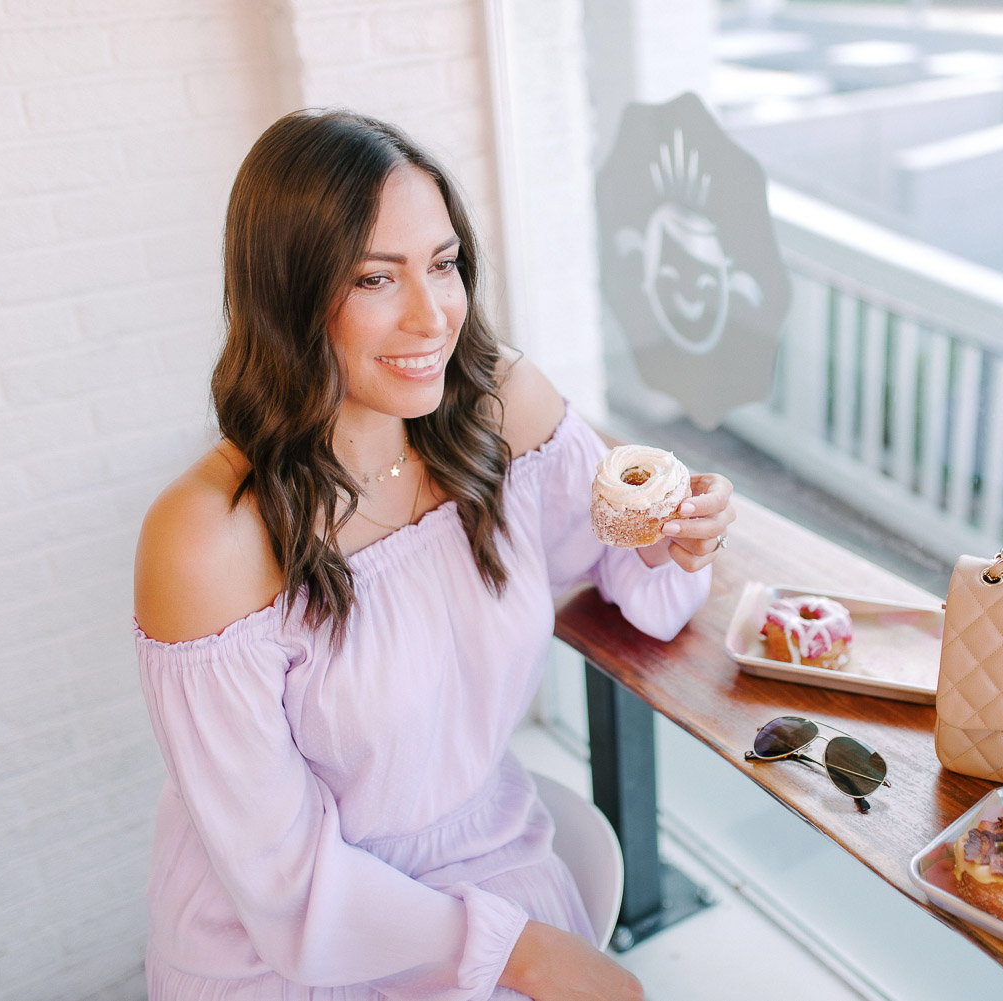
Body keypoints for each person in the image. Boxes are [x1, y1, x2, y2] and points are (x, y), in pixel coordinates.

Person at [133, 109, 735, 1001]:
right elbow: (285, 885)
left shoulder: (497, 408)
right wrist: (524, 953)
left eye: (444, 264)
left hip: (489, 861)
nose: (433, 316)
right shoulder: (206, 540)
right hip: (292, 940)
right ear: (288, 295)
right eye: (376, 278)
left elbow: (634, 577)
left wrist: (676, 538)